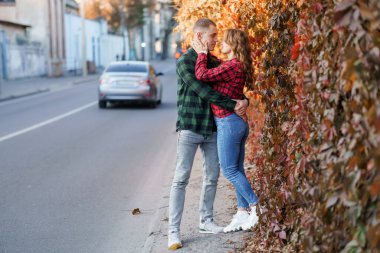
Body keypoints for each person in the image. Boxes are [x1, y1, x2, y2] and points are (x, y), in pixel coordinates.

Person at [168, 19, 249, 250]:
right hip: (190, 127)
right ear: (200, 36)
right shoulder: (185, 62)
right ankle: (173, 231)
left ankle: (206, 220)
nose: (216, 39)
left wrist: (244, 100)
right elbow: (203, 91)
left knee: (212, 177)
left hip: (213, 128)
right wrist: (233, 105)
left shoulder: (212, 61)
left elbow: (232, 84)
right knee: (181, 178)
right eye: (212, 35)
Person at [192, 29, 259, 233]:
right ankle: (242, 211)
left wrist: (202, 54)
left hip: (228, 122)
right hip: (235, 122)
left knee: (229, 170)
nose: (220, 42)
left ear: (233, 44)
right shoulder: (233, 65)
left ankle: (257, 206)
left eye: (224, 41)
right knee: (236, 169)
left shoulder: (233, 65)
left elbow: (202, 75)